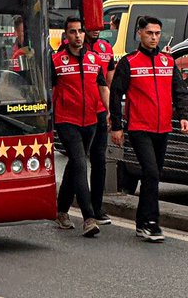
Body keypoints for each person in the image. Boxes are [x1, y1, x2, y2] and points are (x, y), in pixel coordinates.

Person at [109, 15, 188, 243]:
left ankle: (141, 223)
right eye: (149, 33)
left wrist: (184, 116)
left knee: (152, 176)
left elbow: (179, 91)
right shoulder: (129, 62)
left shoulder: (168, 61)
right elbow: (116, 94)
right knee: (152, 172)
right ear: (140, 34)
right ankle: (152, 223)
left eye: (157, 33)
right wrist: (117, 127)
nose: (154, 38)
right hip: (139, 127)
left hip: (162, 127)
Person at [51, 16, 110, 237]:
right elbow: (50, 90)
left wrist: (110, 112)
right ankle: (89, 218)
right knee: (80, 163)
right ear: (66, 35)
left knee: (75, 165)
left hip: (91, 121)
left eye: (80, 31)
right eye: (72, 32)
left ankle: (61, 210)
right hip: (66, 120)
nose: (77, 35)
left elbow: (102, 87)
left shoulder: (94, 59)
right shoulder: (56, 61)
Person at [83, 22, 116, 225]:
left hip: (99, 113)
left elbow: (109, 82)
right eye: (91, 25)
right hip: (78, 115)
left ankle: (96, 207)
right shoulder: (71, 49)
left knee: (99, 161)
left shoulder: (106, 48)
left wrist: (109, 110)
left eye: (98, 25)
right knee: (77, 163)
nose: (96, 29)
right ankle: (64, 207)